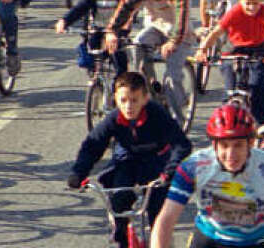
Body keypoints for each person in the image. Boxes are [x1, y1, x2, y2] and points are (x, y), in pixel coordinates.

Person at [68, 71, 192, 248]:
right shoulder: (113, 119)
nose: (128, 107)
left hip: (156, 162)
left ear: (145, 98)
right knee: (118, 201)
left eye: (134, 100)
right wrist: (78, 173)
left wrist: (170, 171)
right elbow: (93, 145)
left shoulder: (157, 114)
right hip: (127, 161)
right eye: (123, 101)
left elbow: (182, 144)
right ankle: (122, 239)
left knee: (158, 213)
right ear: (115, 100)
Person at [151, 104, 264, 248]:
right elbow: (166, 220)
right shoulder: (193, 167)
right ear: (214, 145)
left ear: (251, 143)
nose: (231, 154)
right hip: (209, 240)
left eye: (238, 145)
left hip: (255, 242)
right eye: (224, 145)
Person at [106, 0, 192, 116]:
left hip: (179, 33)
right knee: (138, 43)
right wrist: (112, 31)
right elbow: (127, 5)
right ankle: (149, 85)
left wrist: (173, 41)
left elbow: (183, 16)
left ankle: (178, 120)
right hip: (156, 27)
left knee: (172, 79)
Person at [195, 0, 264, 135]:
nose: (252, 8)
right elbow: (216, 32)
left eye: (256, 3)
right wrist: (202, 49)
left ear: (261, 1)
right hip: (235, 49)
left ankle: (262, 121)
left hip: (259, 50)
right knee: (230, 87)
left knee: (256, 84)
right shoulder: (234, 12)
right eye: (247, 3)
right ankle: (223, 119)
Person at [56, 0, 131, 73]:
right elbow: (80, 8)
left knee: (119, 62)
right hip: (97, 30)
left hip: (117, 32)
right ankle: (96, 82)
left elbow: (128, 15)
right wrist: (64, 21)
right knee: (88, 59)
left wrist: (117, 33)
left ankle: (118, 85)